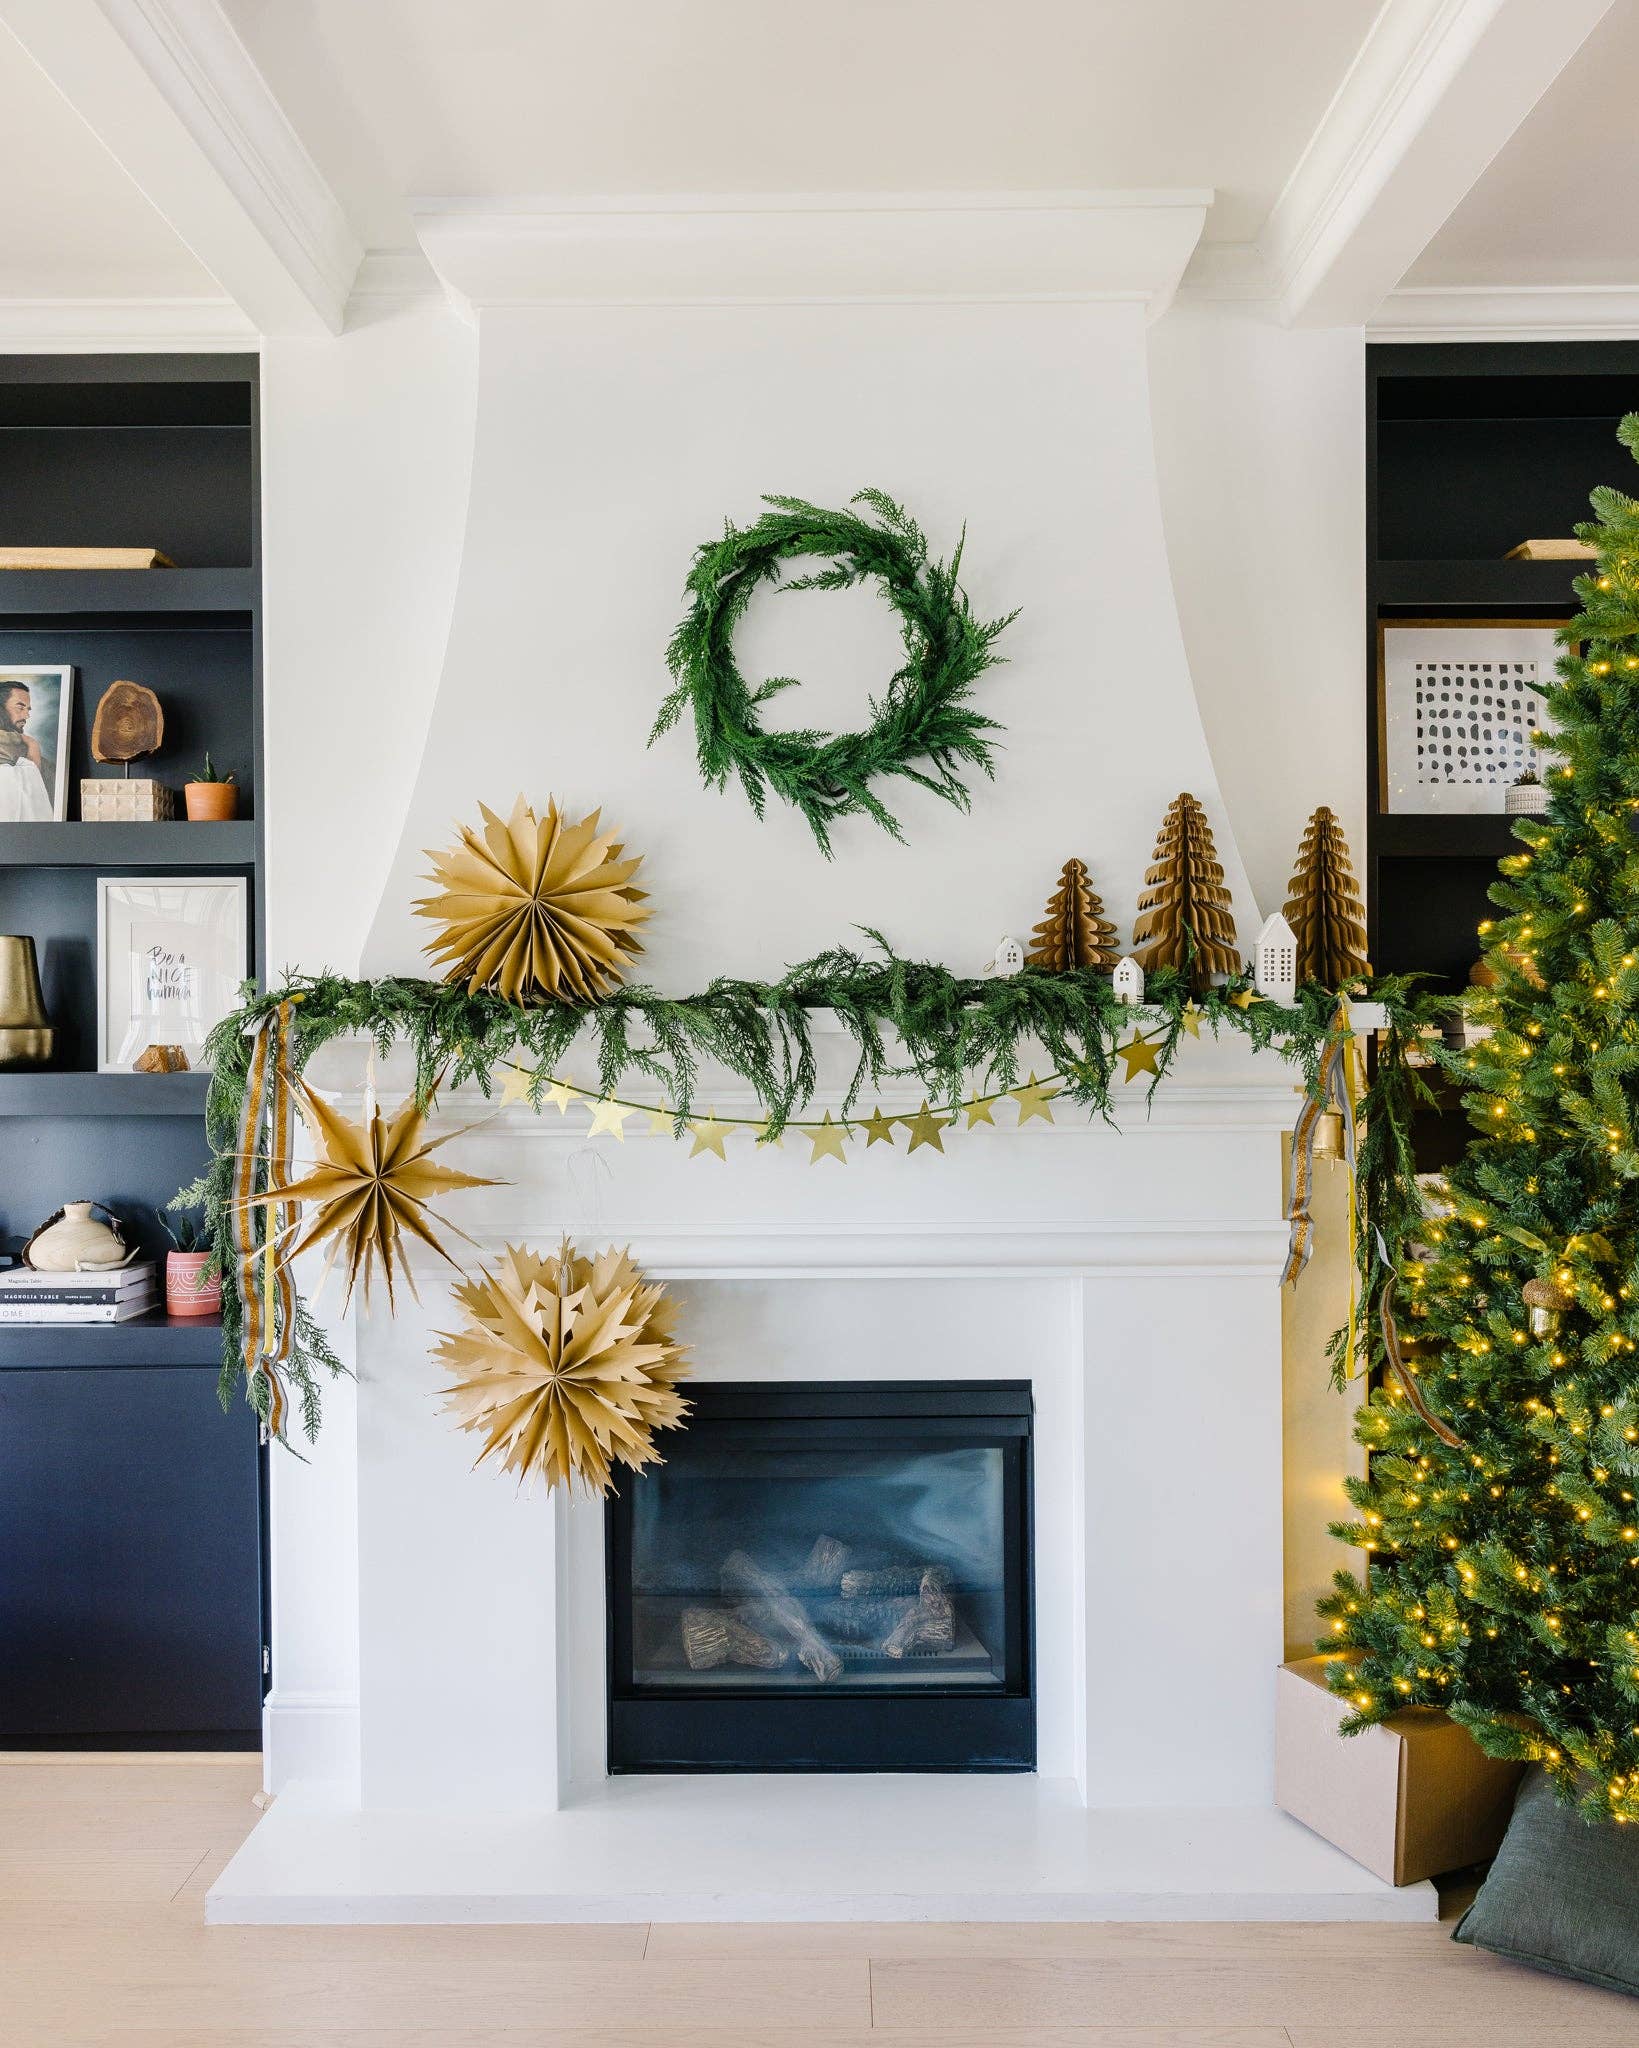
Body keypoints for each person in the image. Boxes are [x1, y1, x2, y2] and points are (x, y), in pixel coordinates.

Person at [0, 680, 53, 821]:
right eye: (20, 707)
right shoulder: (20, 743)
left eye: (28, 709)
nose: (27, 716)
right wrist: (31, 744)